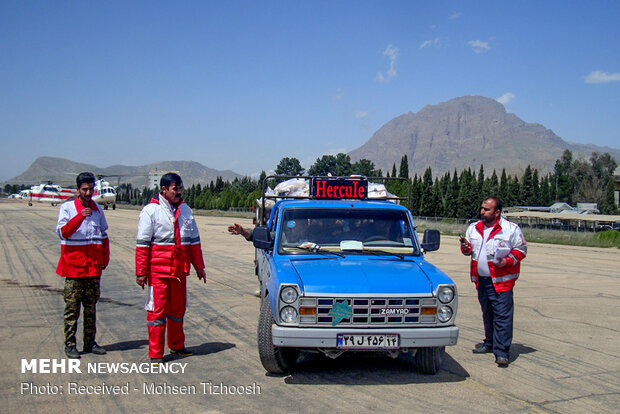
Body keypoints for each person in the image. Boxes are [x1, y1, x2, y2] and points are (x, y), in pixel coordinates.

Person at [135, 173, 206, 363]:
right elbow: (142, 245)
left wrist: (199, 266)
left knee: (178, 311)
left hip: (179, 272)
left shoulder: (186, 211)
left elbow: (194, 242)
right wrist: (141, 272)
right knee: (157, 312)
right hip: (158, 272)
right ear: (164, 190)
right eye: (175, 188)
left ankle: (177, 346)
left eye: (180, 188)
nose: (179, 192)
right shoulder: (151, 211)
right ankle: (156, 353)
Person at [460, 196, 527, 367]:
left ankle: (502, 352)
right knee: (487, 312)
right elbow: (468, 251)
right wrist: (465, 248)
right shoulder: (474, 228)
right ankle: (489, 343)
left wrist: (508, 261)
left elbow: (521, 249)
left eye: (487, 209)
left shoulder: (510, 229)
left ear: (497, 212)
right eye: (482, 208)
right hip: (481, 280)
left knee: (502, 316)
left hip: (501, 281)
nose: (482, 212)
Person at [56, 172, 109, 359]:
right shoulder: (67, 208)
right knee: (71, 309)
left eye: (90, 189)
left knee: (91, 308)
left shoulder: (98, 210)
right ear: (77, 189)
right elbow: (63, 233)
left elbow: (103, 235)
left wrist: (105, 257)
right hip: (74, 269)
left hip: (93, 269)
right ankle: (70, 344)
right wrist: (79, 216)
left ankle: (90, 342)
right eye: (84, 189)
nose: (88, 193)